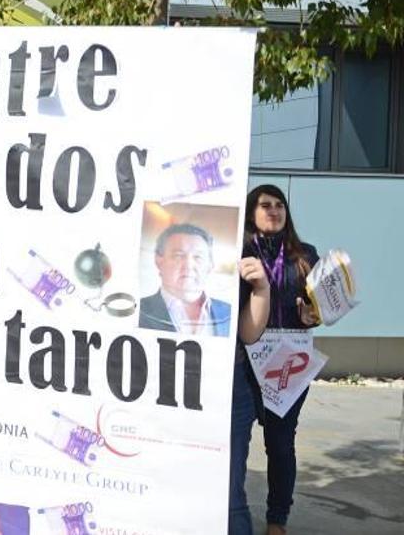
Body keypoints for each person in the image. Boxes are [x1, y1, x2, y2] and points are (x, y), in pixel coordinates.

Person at [235, 185, 321, 535]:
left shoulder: (306, 255)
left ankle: (276, 521)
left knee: (281, 445)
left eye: (280, 205)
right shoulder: (239, 253)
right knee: (236, 440)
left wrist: (311, 315)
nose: (274, 210)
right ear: (251, 213)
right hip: (244, 363)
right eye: (265, 205)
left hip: (289, 364)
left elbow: (318, 310)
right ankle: (230, 513)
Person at [231, 242, 274, 534]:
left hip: (229, 388)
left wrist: (261, 289)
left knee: (229, 493)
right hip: (155, 386)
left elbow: (248, 333)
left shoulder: (236, 249)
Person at [138, 223, 232, 336]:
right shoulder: (137, 311)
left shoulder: (229, 313)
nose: (188, 265)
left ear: (210, 265)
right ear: (158, 261)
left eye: (198, 257)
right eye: (178, 256)